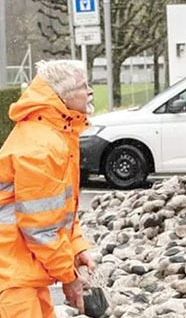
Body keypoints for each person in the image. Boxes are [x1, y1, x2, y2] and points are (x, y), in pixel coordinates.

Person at [0, 60, 95, 317]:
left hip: (22, 271)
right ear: (61, 96)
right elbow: (40, 228)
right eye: (82, 86)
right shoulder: (42, 147)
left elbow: (61, 211)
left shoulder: (54, 136)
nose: (90, 91)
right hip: (11, 277)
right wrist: (69, 276)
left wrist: (77, 247)